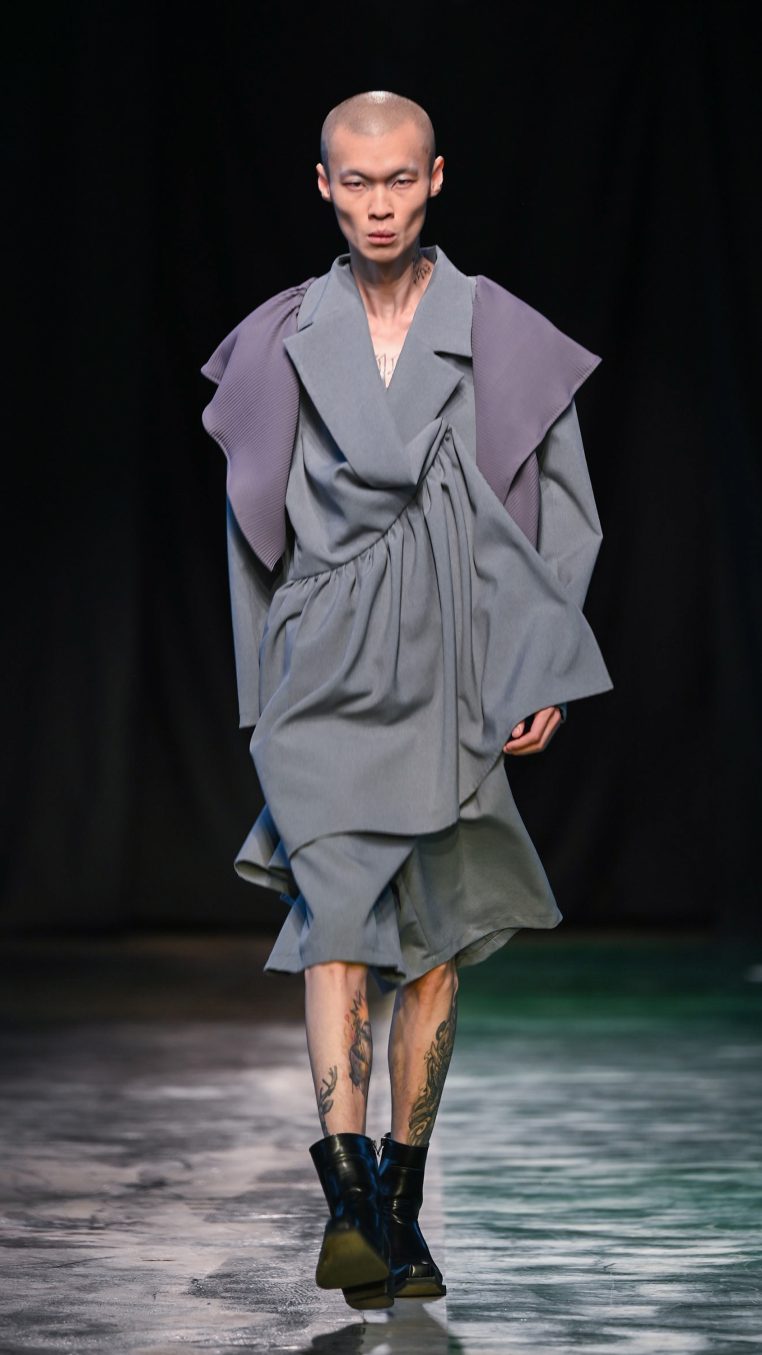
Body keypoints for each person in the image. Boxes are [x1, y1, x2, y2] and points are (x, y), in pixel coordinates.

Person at [200, 90, 613, 1310]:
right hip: (324, 663)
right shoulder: (282, 336)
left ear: (434, 179)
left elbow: (564, 508)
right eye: (356, 181)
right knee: (334, 923)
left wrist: (539, 663)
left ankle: (400, 1204)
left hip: (454, 660)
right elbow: (247, 529)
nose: (378, 204)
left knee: (433, 946)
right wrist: (262, 687)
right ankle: (347, 1203)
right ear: (323, 187)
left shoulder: (498, 329)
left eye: (398, 179)